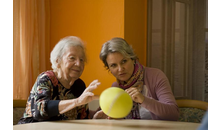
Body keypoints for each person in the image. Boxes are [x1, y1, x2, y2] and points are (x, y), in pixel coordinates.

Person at [18, 36, 100, 124]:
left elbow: (82, 118)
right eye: (72, 58)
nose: (78, 63)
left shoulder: (79, 85)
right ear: (57, 61)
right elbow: (40, 111)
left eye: (81, 60)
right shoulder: (46, 79)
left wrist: (95, 117)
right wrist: (77, 101)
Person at [94, 37, 179, 120]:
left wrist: (144, 100)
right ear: (109, 68)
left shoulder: (155, 76)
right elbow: (99, 114)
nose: (120, 69)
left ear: (133, 59)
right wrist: (100, 117)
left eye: (124, 61)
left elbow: (173, 114)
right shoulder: (116, 87)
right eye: (113, 65)